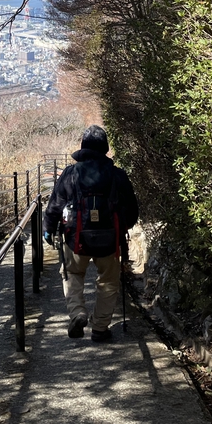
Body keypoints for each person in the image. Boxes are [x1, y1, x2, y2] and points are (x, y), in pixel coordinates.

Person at [43, 125, 139, 342]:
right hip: (110, 240)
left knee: (72, 274)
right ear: (105, 147)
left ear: (83, 147)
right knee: (108, 281)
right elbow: (132, 209)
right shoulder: (117, 175)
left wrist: (48, 229)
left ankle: (78, 313)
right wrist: (123, 227)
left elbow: (55, 205)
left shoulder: (70, 173)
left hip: (76, 239)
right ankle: (100, 328)